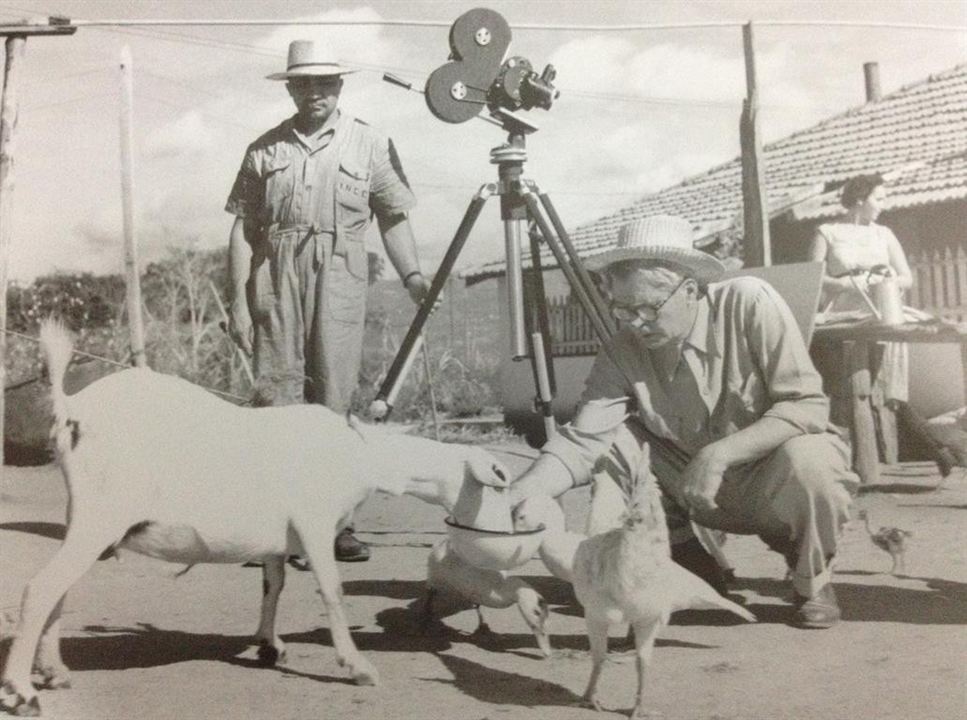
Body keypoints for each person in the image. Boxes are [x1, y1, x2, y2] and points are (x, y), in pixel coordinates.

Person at [509, 215, 859, 629]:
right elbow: (584, 441)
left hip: (767, 478)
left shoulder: (750, 303)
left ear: (690, 290)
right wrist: (515, 497)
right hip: (688, 485)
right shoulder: (623, 349)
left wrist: (720, 453)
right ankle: (685, 552)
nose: (635, 323)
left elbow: (807, 405)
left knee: (814, 458)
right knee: (614, 444)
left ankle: (810, 580)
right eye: (622, 309)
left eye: (647, 308)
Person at [225, 40, 432, 563]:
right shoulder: (264, 150)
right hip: (276, 273)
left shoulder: (369, 144)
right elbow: (242, 231)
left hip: (340, 271)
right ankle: (276, 525)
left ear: (339, 86)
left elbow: (394, 216)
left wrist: (412, 274)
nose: (314, 92)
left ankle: (338, 524)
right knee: (277, 398)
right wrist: (238, 302)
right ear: (290, 87)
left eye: (325, 82)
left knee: (334, 400)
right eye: (304, 83)